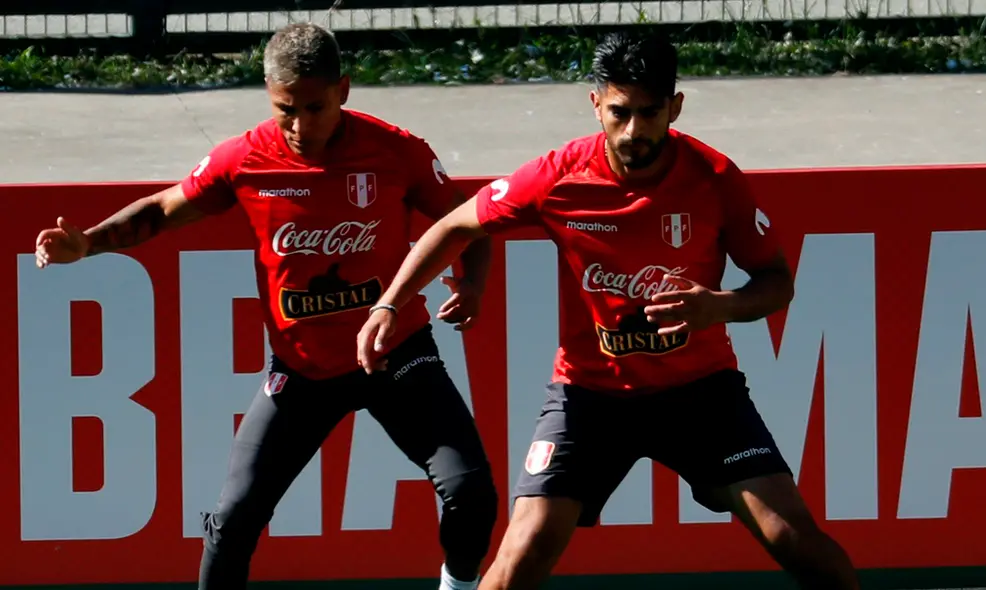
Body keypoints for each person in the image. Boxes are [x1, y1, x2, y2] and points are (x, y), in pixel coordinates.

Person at [357, 31, 860, 590]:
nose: (635, 130)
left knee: (798, 543)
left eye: (650, 113)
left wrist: (718, 306)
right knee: (520, 556)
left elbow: (777, 284)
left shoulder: (715, 180)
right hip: (588, 397)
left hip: (700, 392)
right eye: (620, 111)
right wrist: (389, 303)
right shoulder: (557, 175)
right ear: (595, 102)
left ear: (675, 106)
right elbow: (455, 226)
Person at [34, 22, 498, 590]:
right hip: (301, 373)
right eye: (285, 110)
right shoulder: (245, 158)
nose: (301, 126)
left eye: (315, 106)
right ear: (267, 95)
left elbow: (471, 222)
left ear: (344, 89)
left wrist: (471, 285)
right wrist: (90, 242)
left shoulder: (397, 151)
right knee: (232, 523)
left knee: (472, 491)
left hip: (394, 355)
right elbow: (161, 210)